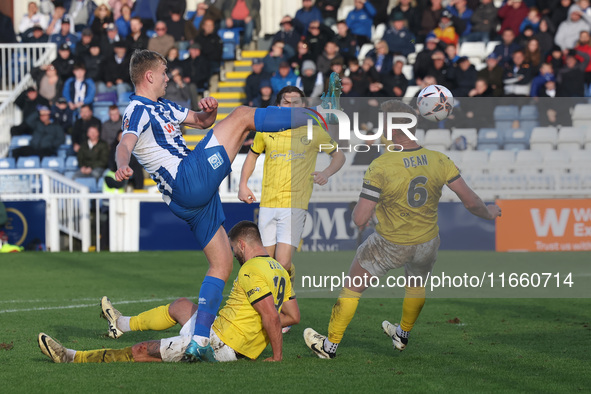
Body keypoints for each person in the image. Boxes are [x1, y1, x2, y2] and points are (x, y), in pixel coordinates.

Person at [114, 49, 327, 361]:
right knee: (242, 116)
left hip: (189, 198)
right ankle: (315, 114)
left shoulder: (165, 107)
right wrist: (122, 164)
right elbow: (125, 143)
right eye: (164, 73)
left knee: (222, 265)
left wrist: (210, 113)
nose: (168, 78)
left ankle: (200, 341)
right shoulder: (136, 109)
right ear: (149, 76)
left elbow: (201, 123)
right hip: (187, 180)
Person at [303, 100, 502, 359]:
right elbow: (471, 201)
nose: (379, 126)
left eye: (384, 122)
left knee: (352, 288)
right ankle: (402, 334)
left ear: (394, 128)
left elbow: (359, 217)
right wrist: (489, 213)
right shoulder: (439, 159)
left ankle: (329, 346)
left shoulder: (382, 166)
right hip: (427, 242)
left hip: (390, 243)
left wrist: (361, 214)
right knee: (416, 286)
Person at [38, 221, 300, 364]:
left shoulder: (250, 270)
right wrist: (257, 333)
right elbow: (292, 316)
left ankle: (71, 357)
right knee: (181, 306)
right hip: (222, 332)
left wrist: (276, 356)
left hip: (221, 345)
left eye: (234, 249)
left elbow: (271, 316)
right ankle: (119, 323)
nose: (234, 254)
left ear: (242, 244)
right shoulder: (279, 269)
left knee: (142, 350)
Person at [238, 86, 346, 294]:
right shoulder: (266, 130)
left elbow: (339, 156)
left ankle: (282, 310)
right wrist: (243, 184)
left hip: (294, 204)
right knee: (266, 263)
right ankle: (278, 304)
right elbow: (252, 155)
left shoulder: (314, 131)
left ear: (304, 106)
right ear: (278, 105)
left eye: (296, 102)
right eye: (286, 102)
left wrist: (326, 172)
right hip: (268, 203)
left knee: (282, 263)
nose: (290, 106)